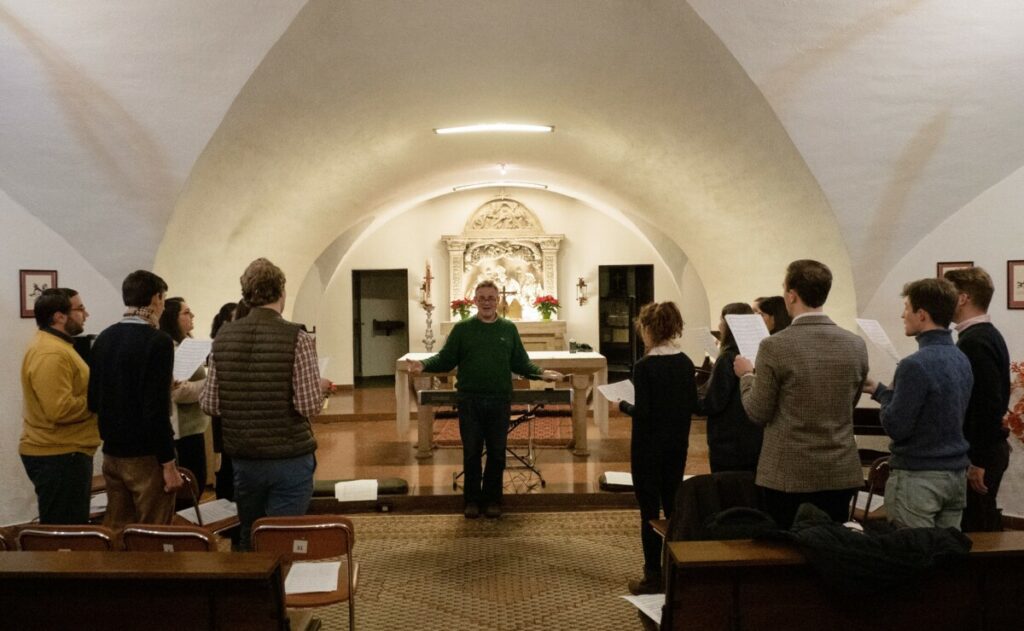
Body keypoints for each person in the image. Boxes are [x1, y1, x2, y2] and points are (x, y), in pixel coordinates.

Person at [200, 259, 330, 550]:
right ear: (282, 292)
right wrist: (319, 389)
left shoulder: (224, 336)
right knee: (283, 535)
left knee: (251, 532)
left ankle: (252, 591)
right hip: (289, 455)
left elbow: (210, 403)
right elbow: (308, 406)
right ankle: (282, 591)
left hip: (245, 457)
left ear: (246, 294)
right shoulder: (298, 336)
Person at [409, 280, 562, 519]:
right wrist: (424, 365)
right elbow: (446, 359)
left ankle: (492, 500)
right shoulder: (462, 329)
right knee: (471, 452)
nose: (487, 302)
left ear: (498, 301)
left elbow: (520, 362)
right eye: (482, 298)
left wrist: (542, 373)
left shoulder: (508, 329)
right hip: (469, 400)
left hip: (499, 400)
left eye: (491, 297)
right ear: (475, 301)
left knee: (497, 452)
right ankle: (471, 500)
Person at [734, 260, 867, 529]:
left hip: (789, 473)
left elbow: (758, 412)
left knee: (788, 551)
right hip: (840, 470)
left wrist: (747, 376)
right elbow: (848, 404)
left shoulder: (775, 346)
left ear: (791, 295)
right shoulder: (855, 344)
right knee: (833, 546)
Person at [863, 278, 972, 528]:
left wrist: (888, 393)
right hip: (954, 476)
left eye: (907, 307)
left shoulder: (915, 364)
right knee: (945, 556)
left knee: (912, 558)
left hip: (919, 478)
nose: (903, 315)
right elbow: (936, 410)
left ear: (921, 315)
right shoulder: (960, 358)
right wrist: (879, 390)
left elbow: (896, 427)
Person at [88, 270, 182, 529]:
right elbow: (155, 411)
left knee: (117, 529)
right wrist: (168, 463)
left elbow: (94, 399)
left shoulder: (104, 338)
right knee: (152, 531)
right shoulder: (158, 341)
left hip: (111, 452)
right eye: (163, 299)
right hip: (145, 454)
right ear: (156, 299)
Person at [617, 302, 697, 595]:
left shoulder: (645, 366)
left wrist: (623, 405)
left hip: (648, 448)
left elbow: (645, 412)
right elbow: (691, 404)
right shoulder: (686, 362)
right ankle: (677, 572)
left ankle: (653, 576)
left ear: (648, 328)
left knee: (649, 512)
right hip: (677, 445)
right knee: (673, 507)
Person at [19, 288, 100, 524]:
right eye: (80, 308)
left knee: (69, 529)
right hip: (58, 454)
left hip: (65, 452)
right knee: (65, 536)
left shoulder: (58, 345)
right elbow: (59, 410)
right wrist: (99, 399)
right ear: (59, 317)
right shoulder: (51, 352)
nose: (86, 314)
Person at [944, 267, 1012, 532]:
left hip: (982, 452)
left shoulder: (975, 341)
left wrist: (978, 462)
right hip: (987, 447)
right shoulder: (985, 334)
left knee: (976, 529)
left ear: (962, 298)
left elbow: (987, 404)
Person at [698, 302, 762, 473]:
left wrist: (690, 396)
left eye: (721, 320)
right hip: (755, 438)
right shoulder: (759, 353)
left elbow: (713, 402)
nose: (718, 325)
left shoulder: (728, 357)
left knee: (727, 494)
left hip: (728, 442)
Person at [159, 297, 210, 489]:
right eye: (186, 312)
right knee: (191, 486)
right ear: (172, 318)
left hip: (194, 426)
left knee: (198, 481)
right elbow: (178, 392)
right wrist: (211, 383)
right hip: (182, 430)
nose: (192, 316)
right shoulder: (170, 349)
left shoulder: (186, 345)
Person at [209, 301, 238, 500]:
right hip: (226, 418)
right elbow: (211, 402)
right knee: (227, 469)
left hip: (233, 417)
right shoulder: (220, 347)